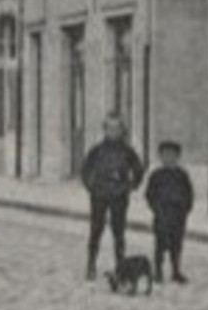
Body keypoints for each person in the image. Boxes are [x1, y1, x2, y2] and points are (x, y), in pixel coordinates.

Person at [79, 115, 146, 281]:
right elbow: (85, 169)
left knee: (119, 233)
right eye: (109, 128)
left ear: (122, 131)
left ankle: (121, 267)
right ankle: (91, 265)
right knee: (96, 230)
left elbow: (138, 169)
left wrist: (131, 186)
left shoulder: (127, 151)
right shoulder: (97, 150)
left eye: (116, 128)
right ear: (105, 130)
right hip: (99, 195)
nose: (113, 132)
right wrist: (91, 186)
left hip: (119, 196)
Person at [144, 140, 194, 284]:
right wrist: (155, 208)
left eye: (172, 155)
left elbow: (189, 193)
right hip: (161, 214)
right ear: (160, 157)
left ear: (177, 157)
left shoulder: (182, 175)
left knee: (176, 244)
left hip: (178, 215)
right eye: (165, 155)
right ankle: (158, 271)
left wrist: (185, 209)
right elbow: (149, 194)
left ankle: (176, 270)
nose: (168, 158)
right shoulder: (156, 175)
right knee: (160, 244)